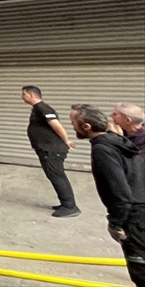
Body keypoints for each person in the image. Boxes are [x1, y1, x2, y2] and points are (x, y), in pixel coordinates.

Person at [70, 104, 145, 287]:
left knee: (141, 269)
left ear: (87, 126)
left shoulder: (102, 150)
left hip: (135, 218)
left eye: (73, 122)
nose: (71, 126)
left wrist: (115, 223)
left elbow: (120, 195)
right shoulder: (118, 141)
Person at [21, 86, 79, 217]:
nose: (22, 97)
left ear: (31, 95)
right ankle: (65, 202)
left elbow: (56, 125)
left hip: (52, 150)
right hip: (47, 149)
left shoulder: (42, 108)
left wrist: (66, 140)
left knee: (57, 176)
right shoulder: (38, 109)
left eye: (23, 94)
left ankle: (70, 206)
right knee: (54, 176)